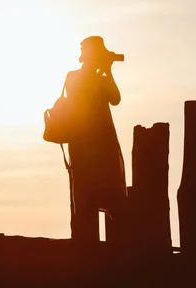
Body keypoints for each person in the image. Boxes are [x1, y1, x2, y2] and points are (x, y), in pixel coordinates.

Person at [64, 36, 127, 244]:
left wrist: (106, 71)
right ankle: (88, 245)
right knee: (86, 194)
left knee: (99, 190)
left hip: (95, 144)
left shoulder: (96, 78)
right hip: (90, 144)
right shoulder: (75, 77)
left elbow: (115, 99)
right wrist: (104, 70)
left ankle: (103, 244)